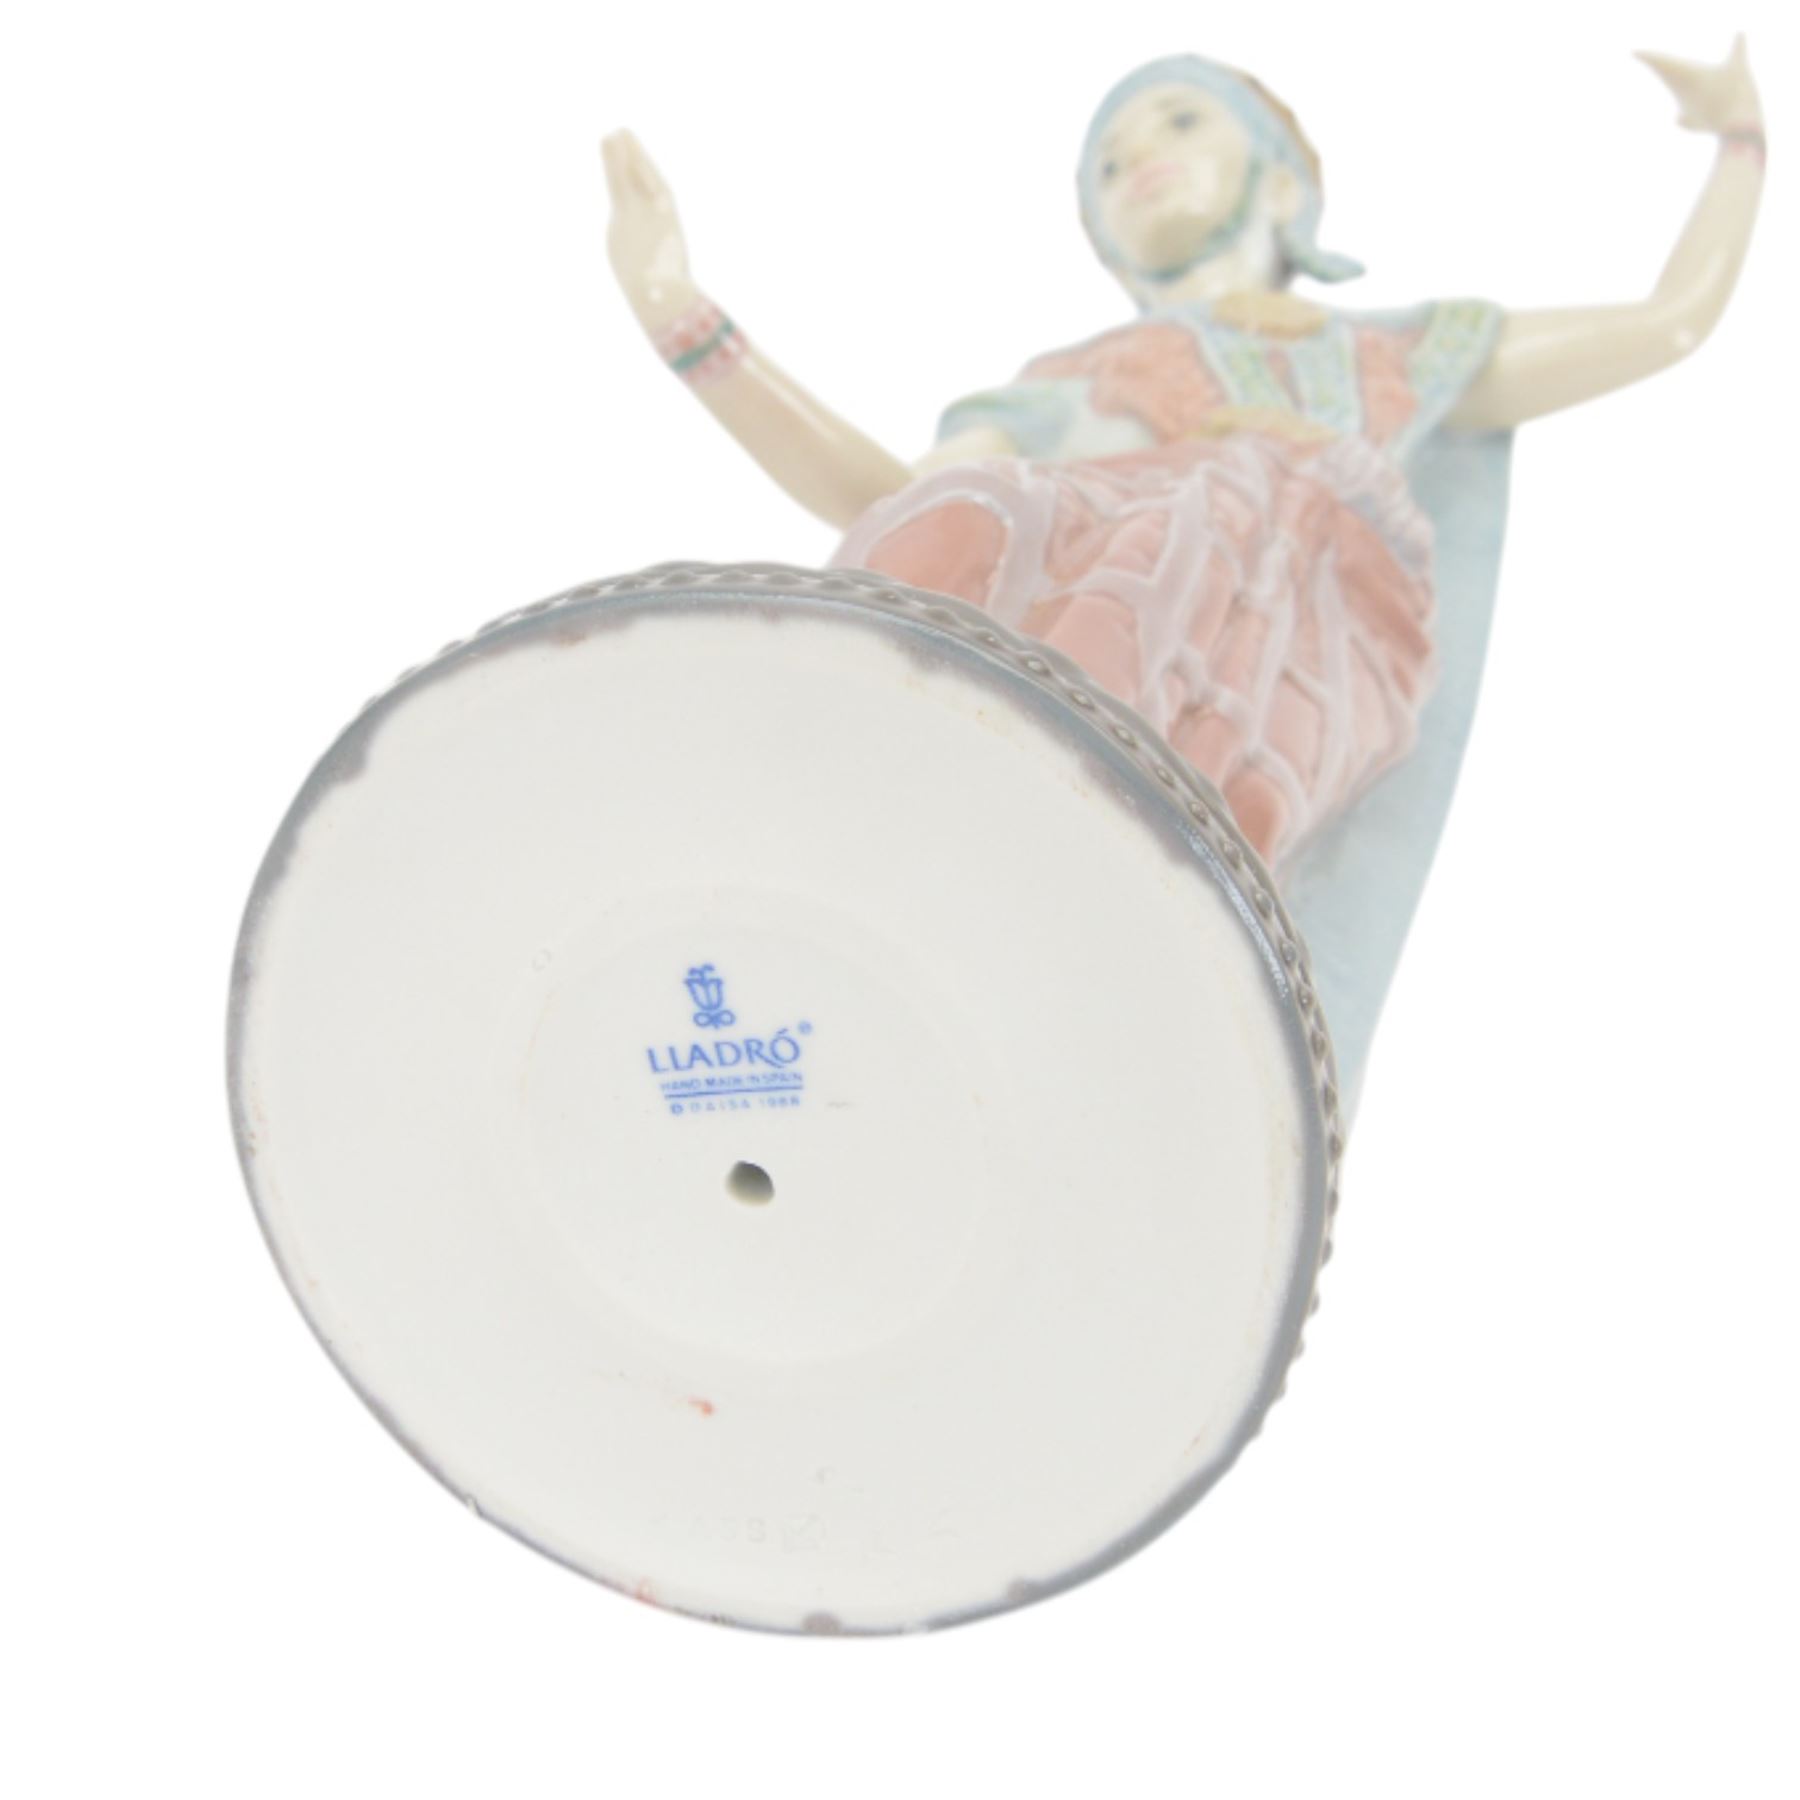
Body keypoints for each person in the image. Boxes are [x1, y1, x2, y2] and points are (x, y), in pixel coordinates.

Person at [602, 42, 1764, 1104]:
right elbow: (899, 497)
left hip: (1295, 646)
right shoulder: (1077, 378)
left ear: (1282, 184)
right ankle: (880, 832)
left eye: (1179, 122)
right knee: (983, 505)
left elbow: (1670, 321)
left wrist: (1741, 138)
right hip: (1115, 596)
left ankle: (1116, 924)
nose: (1139, 160)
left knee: (1214, 507)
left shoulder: (1392, 355)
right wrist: (683, 318)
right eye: (1108, 163)